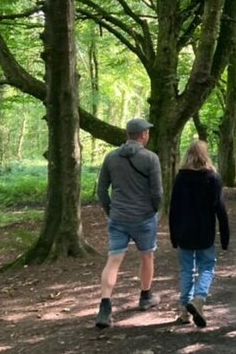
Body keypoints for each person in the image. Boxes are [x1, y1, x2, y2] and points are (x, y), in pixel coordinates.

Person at [95, 118, 163, 329]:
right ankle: (145, 296)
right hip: (143, 217)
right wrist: (154, 210)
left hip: (119, 217)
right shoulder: (151, 159)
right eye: (148, 132)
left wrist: (110, 211)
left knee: (113, 260)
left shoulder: (111, 157)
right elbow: (157, 192)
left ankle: (105, 307)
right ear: (143, 135)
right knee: (147, 255)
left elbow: (101, 190)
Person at [169, 140, 230, 328]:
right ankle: (199, 298)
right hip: (205, 232)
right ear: (206, 155)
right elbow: (220, 208)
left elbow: (174, 209)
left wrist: (173, 234)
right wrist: (225, 236)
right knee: (207, 267)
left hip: (184, 233)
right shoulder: (213, 178)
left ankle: (184, 310)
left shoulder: (180, 178)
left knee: (187, 270)